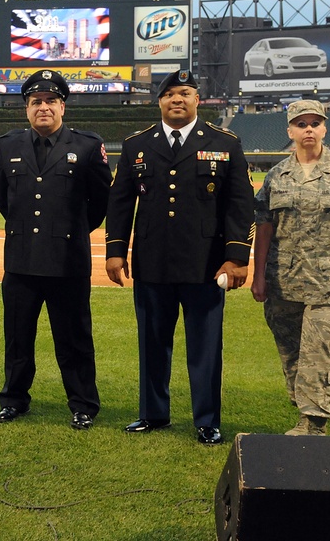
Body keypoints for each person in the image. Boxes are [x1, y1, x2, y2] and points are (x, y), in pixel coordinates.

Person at [105, 69, 254, 445]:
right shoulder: (137, 144)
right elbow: (120, 202)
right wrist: (115, 251)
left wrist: (237, 257)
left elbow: (240, 204)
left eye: (185, 93)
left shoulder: (225, 142)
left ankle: (207, 420)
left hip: (205, 264)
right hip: (152, 262)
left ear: (197, 100)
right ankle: (153, 414)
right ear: (159, 101)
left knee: (205, 347)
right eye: (169, 93)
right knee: (152, 343)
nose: (177, 99)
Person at [0, 69, 112, 428]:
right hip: (20, 260)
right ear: (26, 108)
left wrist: (67, 231)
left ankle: (83, 404)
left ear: (63, 107)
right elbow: (2, 198)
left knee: (74, 339)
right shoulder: (8, 144)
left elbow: (99, 203)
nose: (43, 107)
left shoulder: (87, 145)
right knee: (17, 339)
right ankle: (14, 400)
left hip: (67, 261)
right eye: (35, 102)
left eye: (50, 101)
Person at [251, 99, 330, 436]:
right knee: (291, 352)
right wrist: (258, 275)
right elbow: (264, 228)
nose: (308, 129)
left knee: (317, 350)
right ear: (290, 131)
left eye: (314, 123)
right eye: (301, 124)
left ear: (324, 129)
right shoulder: (276, 176)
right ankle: (304, 406)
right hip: (284, 280)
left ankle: (313, 422)